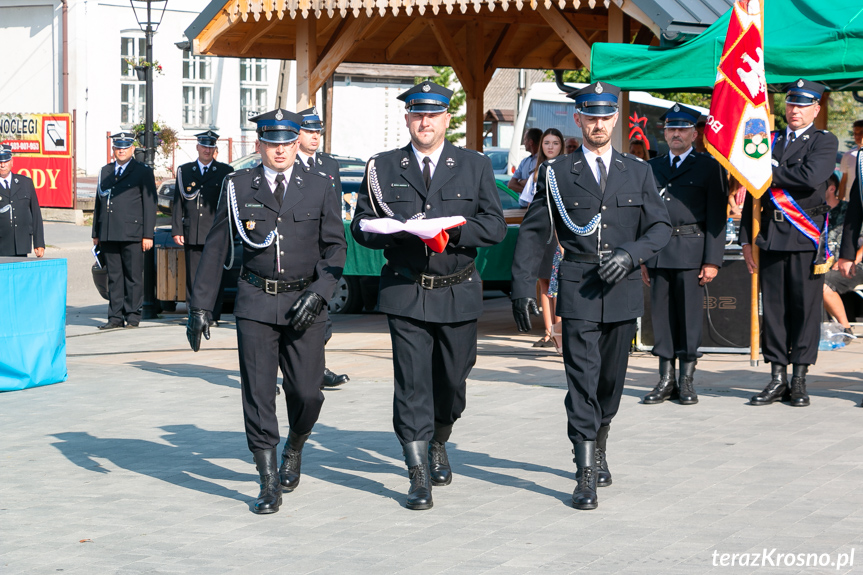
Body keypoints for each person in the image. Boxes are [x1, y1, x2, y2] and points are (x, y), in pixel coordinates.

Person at [511, 81, 671, 510]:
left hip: (621, 289)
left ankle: (600, 441)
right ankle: (584, 470)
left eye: (605, 116)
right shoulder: (558, 172)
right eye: (590, 116)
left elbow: (660, 227)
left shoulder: (638, 171)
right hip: (579, 287)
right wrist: (524, 285)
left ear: (614, 119)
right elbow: (533, 231)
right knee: (580, 378)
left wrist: (630, 254)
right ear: (577, 120)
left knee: (610, 383)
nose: (598, 123)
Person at [350, 80, 506, 510]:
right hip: (406, 289)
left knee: (453, 380)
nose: (425, 122)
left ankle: (440, 436)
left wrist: (450, 228)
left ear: (447, 120)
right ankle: (417, 471)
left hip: (457, 290)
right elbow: (361, 225)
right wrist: (383, 232)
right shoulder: (382, 167)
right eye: (418, 115)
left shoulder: (473, 165)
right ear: (407, 120)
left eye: (433, 115)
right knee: (412, 382)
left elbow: (493, 225)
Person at [185, 108, 347, 514]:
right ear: (259, 145)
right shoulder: (239, 185)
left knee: (308, 392)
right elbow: (218, 244)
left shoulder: (320, 185)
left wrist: (321, 292)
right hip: (256, 300)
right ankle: (268, 479)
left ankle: (295, 443)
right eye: (271, 143)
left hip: (304, 303)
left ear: (297, 144)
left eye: (287, 143)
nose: (279, 150)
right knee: (258, 394)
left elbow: (334, 248)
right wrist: (200, 305)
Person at [740, 79, 839, 407]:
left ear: (816, 108)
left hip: (804, 238)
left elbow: (811, 178)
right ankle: (777, 377)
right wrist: (745, 240)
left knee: (805, 310)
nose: (794, 110)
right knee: (775, 311)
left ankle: (799, 379)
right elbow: (755, 192)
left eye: (802, 104)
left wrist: (769, 169)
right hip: (769, 236)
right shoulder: (768, 140)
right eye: (791, 103)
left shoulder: (824, 141)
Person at [640, 104, 727, 405]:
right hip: (659, 252)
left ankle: (686, 380)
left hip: (692, 251)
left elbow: (717, 216)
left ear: (694, 133)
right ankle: (665, 379)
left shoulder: (709, 166)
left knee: (689, 319)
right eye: (671, 129)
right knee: (662, 318)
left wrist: (713, 259)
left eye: (682, 129)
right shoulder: (652, 167)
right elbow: (644, 215)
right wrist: (643, 256)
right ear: (664, 133)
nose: (676, 134)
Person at [296, 106, 350, 389]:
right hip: (298, 247)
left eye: (318, 131)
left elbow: (335, 207)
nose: (315, 137)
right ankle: (303, 370)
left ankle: (316, 368)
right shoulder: (289, 161)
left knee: (323, 312)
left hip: (324, 248)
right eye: (309, 131)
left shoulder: (329, 165)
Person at [91, 131, 157, 330]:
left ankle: (133, 316)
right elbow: (99, 202)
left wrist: (148, 234)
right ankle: (115, 317)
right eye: (118, 148)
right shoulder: (106, 171)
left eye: (125, 147)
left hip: (133, 233)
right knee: (114, 276)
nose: (121, 151)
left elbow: (149, 203)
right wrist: (96, 232)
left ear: (132, 149)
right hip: (109, 232)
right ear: (113, 150)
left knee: (133, 276)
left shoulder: (142, 171)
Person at [171, 131, 233, 326]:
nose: (207, 150)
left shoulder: (225, 171)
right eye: (204, 146)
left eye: (211, 146)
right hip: (193, 231)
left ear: (215, 149)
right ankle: (194, 314)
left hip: (215, 233)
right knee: (193, 277)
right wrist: (177, 229)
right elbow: (178, 203)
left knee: (215, 276)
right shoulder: (185, 171)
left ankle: (213, 315)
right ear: (197, 147)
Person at [518, 128, 565, 347]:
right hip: (543, 235)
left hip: (561, 235)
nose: (550, 147)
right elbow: (526, 203)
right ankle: (548, 331)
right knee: (544, 284)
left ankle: (560, 332)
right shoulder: (536, 173)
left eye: (555, 143)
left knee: (559, 285)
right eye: (547, 143)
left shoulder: (567, 170)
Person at [821, 174, 860, 334]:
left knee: (822, 284)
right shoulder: (815, 211)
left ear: (832, 189)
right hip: (822, 264)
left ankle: (846, 329)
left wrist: (849, 258)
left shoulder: (849, 210)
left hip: (852, 263)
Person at [0, 144, 45, 258]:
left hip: (21, 244)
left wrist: (39, 242)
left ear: (12, 162)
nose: (2, 165)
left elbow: (36, 214)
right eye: (0, 162)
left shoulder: (25, 183)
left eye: (6, 161)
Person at [507, 128, 542, 194]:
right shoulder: (524, 162)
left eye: (525, 140)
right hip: (523, 204)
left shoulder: (543, 161)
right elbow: (511, 184)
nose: (523, 143)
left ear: (531, 142)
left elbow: (536, 183)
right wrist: (529, 192)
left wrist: (520, 182)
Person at [838, 120, 863, 200]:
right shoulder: (848, 156)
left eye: (861, 133)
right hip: (852, 201)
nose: (858, 136)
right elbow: (843, 181)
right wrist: (840, 203)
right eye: (855, 133)